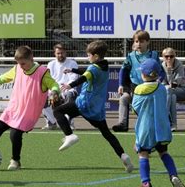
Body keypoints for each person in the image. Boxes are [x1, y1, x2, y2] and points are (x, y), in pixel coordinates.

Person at [0, 45, 60, 170]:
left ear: (31, 59)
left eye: (23, 63)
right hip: (13, 108)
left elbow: (54, 84)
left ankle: (15, 161)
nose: (21, 66)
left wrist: (55, 92)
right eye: (19, 63)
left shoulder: (42, 72)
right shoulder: (18, 68)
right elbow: (4, 77)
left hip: (28, 113)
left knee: (15, 133)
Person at [53, 40, 134, 173]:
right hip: (97, 109)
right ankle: (123, 156)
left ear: (95, 56)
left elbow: (85, 77)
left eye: (89, 55)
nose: (87, 57)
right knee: (107, 134)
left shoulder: (92, 69)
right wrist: (72, 70)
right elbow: (87, 72)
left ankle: (69, 135)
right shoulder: (104, 66)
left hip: (84, 104)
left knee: (58, 111)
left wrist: (70, 85)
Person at [132, 58, 185, 187]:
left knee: (143, 153)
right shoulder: (162, 88)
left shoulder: (139, 89)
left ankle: (146, 183)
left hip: (146, 128)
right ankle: (173, 175)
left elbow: (135, 109)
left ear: (143, 74)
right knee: (164, 153)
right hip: (162, 127)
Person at [112, 30, 163, 132]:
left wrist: (160, 81)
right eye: (136, 41)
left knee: (147, 105)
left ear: (148, 42)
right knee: (124, 99)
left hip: (149, 86)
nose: (139, 44)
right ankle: (122, 124)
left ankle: (155, 124)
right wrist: (121, 84)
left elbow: (161, 71)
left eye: (142, 41)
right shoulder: (131, 56)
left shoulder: (153, 55)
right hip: (134, 86)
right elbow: (123, 70)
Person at [42, 43, 78, 130]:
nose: (60, 55)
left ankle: (68, 123)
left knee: (69, 97)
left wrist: (65, 89)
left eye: (62, 53)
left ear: (65, 53)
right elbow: (49, 80)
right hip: (55, 91)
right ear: (55, 53)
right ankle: (52, 122)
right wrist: (54, 91)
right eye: (58, 53)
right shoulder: (51, 64)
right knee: (44, 100)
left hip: (68, 90)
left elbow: (74, 78)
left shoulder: (72, 63)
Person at [161, 47, 185, 131]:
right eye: (166, 56)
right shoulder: (161, 66)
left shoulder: (179, 65)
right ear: (163, 57)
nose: (169, 58)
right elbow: (162, 82)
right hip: (169, 93)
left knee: (169, 91)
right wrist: (167, 85)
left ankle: (164, 117)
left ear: (175, 56)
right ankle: (173, 125)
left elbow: (175, 83)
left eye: (171, 56)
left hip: (182, 90)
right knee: (172, 96)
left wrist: (169, 72)